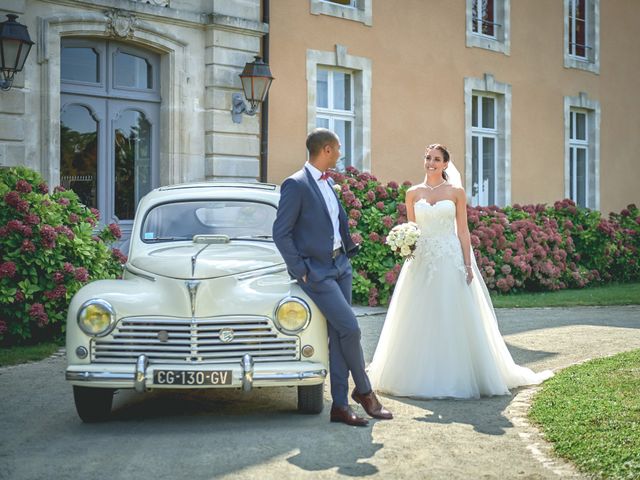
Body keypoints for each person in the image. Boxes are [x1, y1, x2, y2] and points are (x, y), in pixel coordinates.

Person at [367, 144, 553, 399]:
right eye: (428, 158)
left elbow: (463, 231)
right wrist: (403, 243)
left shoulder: (456, 192)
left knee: (449, 312)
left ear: (445, 164)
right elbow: (412, 228)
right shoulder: (412, 193)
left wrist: (467, 264)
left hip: (449, 257)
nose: (431, 163)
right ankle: (413, 375)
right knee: (418, 314)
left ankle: (456, 375)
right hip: (421, 260)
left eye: (436, 159)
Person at [273, 128, 393, 426]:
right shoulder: (296, 184)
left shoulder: (329, 183)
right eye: (338, 148)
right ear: (326, 150)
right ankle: (364, 392)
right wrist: (300, 270)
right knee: (350, 328)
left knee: (340, 336)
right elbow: (281, 232)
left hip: (341, 267)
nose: (340, 153)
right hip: (317, 272)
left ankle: (339, 406)